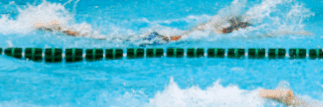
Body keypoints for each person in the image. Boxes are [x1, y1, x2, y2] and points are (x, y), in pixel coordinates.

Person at [35, 15, 251, 44]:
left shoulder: (207, 30)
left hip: (157, 37)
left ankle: (60, 28)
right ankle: (59, 28)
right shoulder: (210, 33)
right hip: (156, 40)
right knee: (103, 40)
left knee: (104, 38)